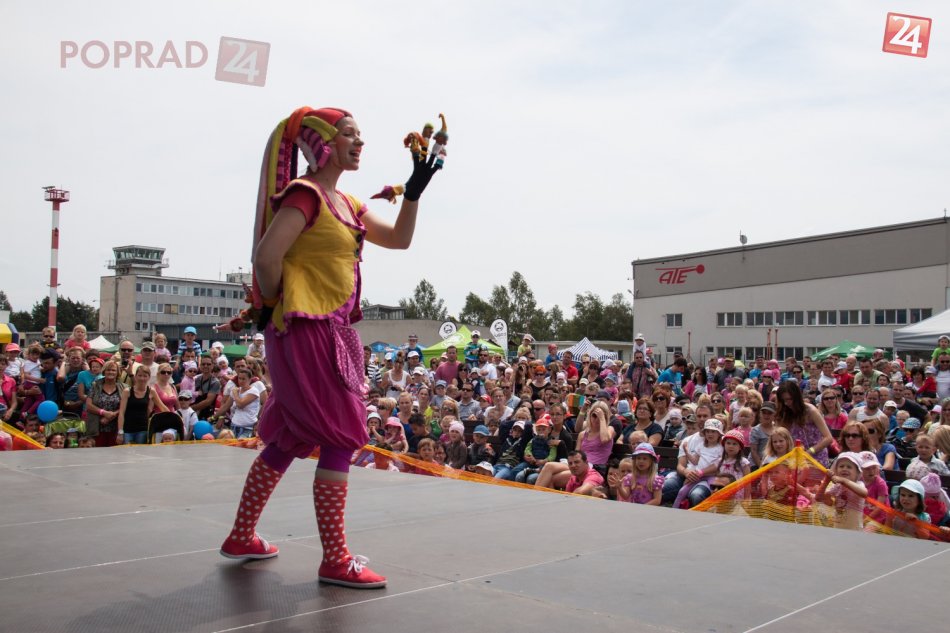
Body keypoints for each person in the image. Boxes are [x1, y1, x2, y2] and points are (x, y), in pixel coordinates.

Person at [220, 106, 440, 589]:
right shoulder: (305, 195)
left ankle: (241, 536)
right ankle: (336, 559)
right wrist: (273, 305)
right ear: (321, 142)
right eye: (348, 134)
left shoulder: (348, 203)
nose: (359, 142)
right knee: (341, 435)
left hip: (328, 329)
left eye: (360, 135)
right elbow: (266, 257)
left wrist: (414, 194)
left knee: (289, 436)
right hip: (304, 327)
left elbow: (399, 239)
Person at [775, 381, 833, 466]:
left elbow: (828, 438)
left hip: (816, 459)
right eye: (783, 400)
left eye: (789, 399)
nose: (786, 403)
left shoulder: (811, 411)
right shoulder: (784, 413)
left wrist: (810, 451)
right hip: (796, 460)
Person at [816, 452, 867, 530]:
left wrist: (844, 480)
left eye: (849, 467)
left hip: (855, 530)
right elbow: (819, 498)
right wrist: (827, 480)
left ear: (858, 473)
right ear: (836, 471)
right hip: (838, 529)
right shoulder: (837, 487)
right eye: (841, 466)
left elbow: (864, 493)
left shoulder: (859, 484)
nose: (844, 469)